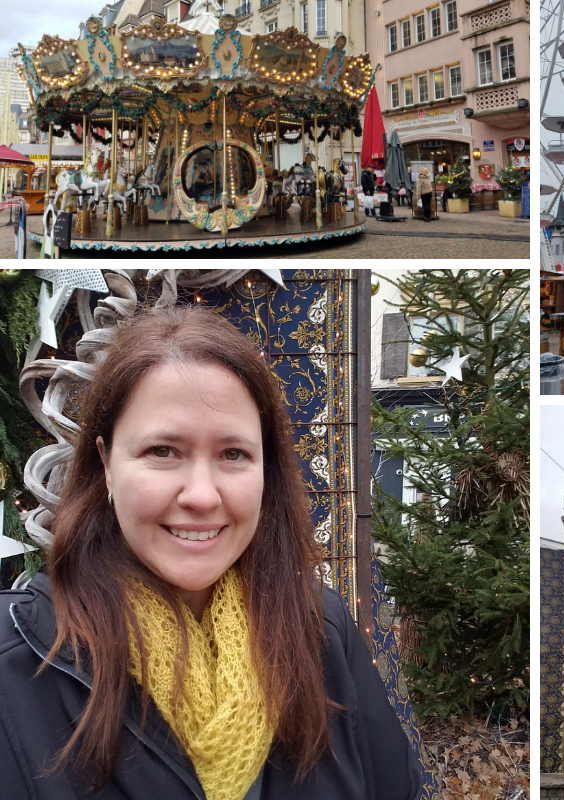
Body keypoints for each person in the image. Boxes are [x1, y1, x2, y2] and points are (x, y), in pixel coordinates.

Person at [0, 307, 423, 800]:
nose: (202, 496)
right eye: (162, 451)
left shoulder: (321, 628)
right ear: (107, 464)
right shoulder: (15, 662)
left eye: (233, 454)